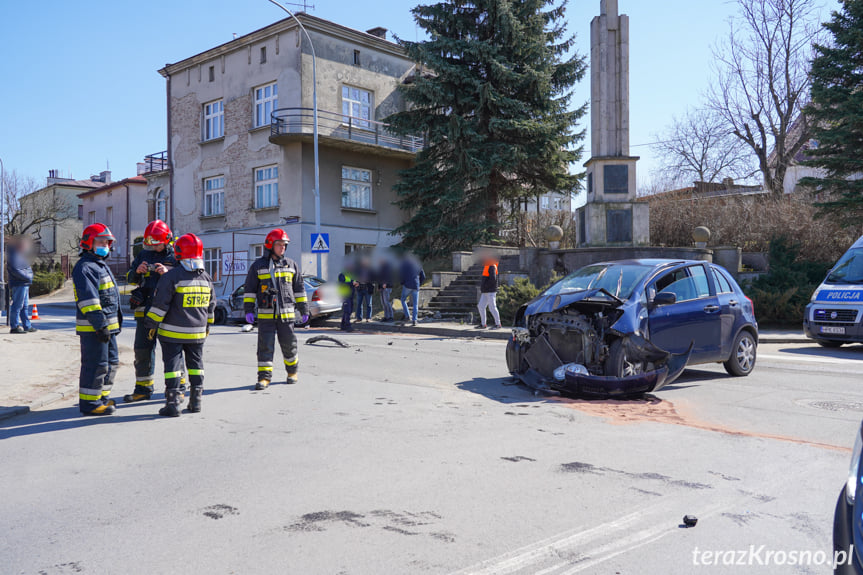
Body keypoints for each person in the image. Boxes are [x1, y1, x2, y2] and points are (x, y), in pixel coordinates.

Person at [144, 234, 215, 417]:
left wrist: (151, 325)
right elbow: (211, 307)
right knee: (196, 366)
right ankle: (196, 401)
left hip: (172, 333)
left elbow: (160, 305)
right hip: (198, 334)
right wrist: (207, 326)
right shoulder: (206, 278)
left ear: (178, 253)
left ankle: (173, 404)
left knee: (173, 368)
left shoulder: (172, 276)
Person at [243, 229, 308, 390]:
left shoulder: (291, 265)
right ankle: (264, 378)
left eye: (284, 245)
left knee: (289, 345)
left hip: (287, 315)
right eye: (279, 244)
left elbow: (299, 289)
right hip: (266, 315)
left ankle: (292, 372)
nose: (282, 248)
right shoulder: (258, 266)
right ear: (270, 245)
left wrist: (304, 310)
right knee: (265, 346)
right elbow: (250, 290)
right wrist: (248, 310)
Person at [123, 220, 177, 402]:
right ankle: (143, 389)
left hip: (169, 314)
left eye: (158, 244)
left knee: (173, 352)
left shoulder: (177, 255)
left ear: (167, 240)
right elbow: (130, 278)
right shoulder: (144, 254)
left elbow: (185, 279)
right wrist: (137, 272)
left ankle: (178, 389)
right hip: (144, 311)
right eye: (151, 244)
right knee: (142, 350)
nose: (154, 247)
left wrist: (169, 272)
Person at [73, 223, 122, 416]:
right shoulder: (85, 268)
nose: (106, 246)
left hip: (106, 328)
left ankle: (100, 397)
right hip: (95, 328)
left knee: (110, 363)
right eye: (101, 242)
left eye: (107, 242)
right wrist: (100, 325)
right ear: (88, 243)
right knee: (95, 365)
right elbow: (90, 302)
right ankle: (90, 404)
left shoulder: (99, 266)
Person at [6, 236, 36, 334]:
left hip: (23, 283)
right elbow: (15, 270)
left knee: (24, 306)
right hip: (19, 283)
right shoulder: (14, 255)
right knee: (17, 305)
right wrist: (27, 277)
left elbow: (26, 268)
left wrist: (28, 276)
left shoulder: (19, 255)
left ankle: (27, 326)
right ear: (20, 245)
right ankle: (14, 326)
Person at [477, 253, 503, 329]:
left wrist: (485, 287)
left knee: (492, 307)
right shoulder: (488, 266)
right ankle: (483, 324)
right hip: (486, 291)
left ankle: (498, 324)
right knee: (481, 306)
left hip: (490, 291)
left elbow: (493, 279)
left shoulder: (491, 266)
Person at [399, 254, 426, 327]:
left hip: (407, 285)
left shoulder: (404, 264)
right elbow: (423, 276)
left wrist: (402, 283)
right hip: (416, 286)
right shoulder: (418, 264)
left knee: (403, 300)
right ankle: (414, 320)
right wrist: (419, 283)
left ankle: (407, 316)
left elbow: (402, 275)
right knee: (415, 304)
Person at [338, 265, 358, 332]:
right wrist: (352, 283)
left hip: (351, 294)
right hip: (345, 294)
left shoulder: (352, 275)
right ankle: (347, 326)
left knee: (348, 310)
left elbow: (353, 282)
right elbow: (341, 284)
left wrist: (356, 284)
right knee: (347, 310)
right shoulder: (342, 275)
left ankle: (343, 325)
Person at [355, 254, 374, 322]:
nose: (364, 262)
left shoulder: (371, 269)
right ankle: (359, 317)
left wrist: (368, 280)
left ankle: (368, 317)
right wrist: (357, 280)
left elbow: (374, 279)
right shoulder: (358, 269)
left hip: (367, 288)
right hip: (360, 288)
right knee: (359, 303)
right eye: (363, 261)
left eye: (365, 261)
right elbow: (355, 277)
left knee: (369, 304)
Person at [377, 255, 395, 323]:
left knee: (387, 302)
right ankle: (386, 316)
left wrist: (386, 284)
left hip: (387, 287)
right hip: (382, 287)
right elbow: (380, 278)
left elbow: (389, 277)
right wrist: (379, 286)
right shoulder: (381, 267)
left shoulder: (388, 267)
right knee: (383, 303)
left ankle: (391, 316)